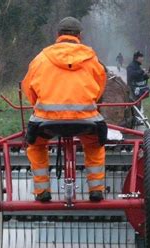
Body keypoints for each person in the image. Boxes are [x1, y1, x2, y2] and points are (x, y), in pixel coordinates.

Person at [22, 17, 107, 202]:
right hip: (86, 120)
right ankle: (96, 189)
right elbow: (100, 88)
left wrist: (41, 105)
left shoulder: (41, 58)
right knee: (94, 144)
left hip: (47, 121)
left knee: (36, 145)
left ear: (57, 35)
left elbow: (29, 88)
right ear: (79, 36)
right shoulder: (91, 58)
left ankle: (42, 190)